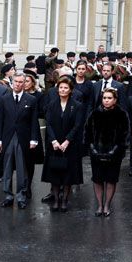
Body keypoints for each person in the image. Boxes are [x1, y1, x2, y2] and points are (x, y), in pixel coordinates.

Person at [0, 71, 40, 209]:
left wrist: (34, 140)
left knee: (22, 168)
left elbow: (34, 122)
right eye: (16, 82)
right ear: (12, 82)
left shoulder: (31, 100)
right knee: (7, 167)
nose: (18, 84)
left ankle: (21, 196)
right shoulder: (4, 99)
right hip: (8, 138)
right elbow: (0, 121)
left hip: (23, 138)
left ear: (24, 83)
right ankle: (8, 195)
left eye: (21, 82)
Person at [41, 77, 85, 212]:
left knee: (68, 175)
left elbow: (77, 125)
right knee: (54, 174)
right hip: (54, 144)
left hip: (70, 144)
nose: (63, 90)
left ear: (71, 90)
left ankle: (65, 200)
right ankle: (56, 200)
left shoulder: (77, 105)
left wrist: (67, 141)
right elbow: (48, 124)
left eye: (66, 88)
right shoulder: (51, 104)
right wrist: (53, 141)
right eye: (60, 87)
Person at [84, 88, 130, 216]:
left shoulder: (121, 114)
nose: (106, 100)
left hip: (114, 154)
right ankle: (99, 205)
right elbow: (87, 133)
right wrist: (92, 149)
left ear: (115, 100)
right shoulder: (94, 114)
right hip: (96, 153)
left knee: (110, 180)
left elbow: (124, 135)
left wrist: (115, 151)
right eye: (104, 98)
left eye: (109, 98)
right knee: (97, 179)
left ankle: (107, 205)